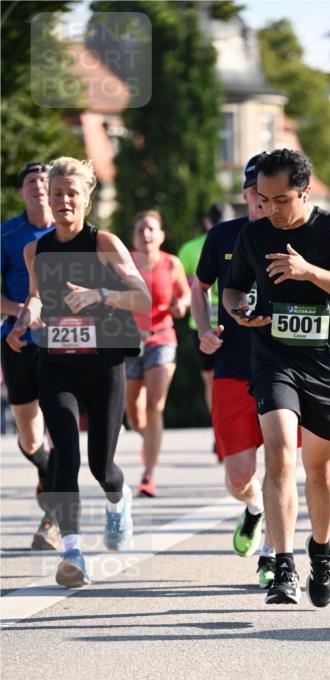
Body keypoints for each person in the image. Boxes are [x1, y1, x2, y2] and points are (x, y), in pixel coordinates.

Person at [223, 148, 330, 607]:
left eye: (281, 200)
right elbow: (232, 288)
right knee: (279, 454)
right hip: (275, 360)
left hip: (327, 364)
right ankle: (282, 566)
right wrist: (238, 310)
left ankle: (322, 553)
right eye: (263, 199)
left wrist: (310, 272)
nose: (271, 209)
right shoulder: (254, 235)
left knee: (321, 470)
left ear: (305, 192)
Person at [7, 157, 150, 587]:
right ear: (47, 199)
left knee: (101, 466)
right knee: (64, 457)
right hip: (57, 361)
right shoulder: (36, 249)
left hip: (104, 362)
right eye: (56, 194)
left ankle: (117, 501)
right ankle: (72, 552)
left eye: (72, 193)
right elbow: (33, 298)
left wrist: (100, 294)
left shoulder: (103, 243)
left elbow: (141, 297)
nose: (64, 201)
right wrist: (22, 321)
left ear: (86, 197)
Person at [191, 154, 279, 589]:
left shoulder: (292, 237)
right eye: (253, 193)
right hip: (232, 366)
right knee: (238, 478)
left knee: (282, 467)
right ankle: (255, 509)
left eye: (267, 194)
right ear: (245, 195)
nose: (260, 201)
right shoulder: (222, 236)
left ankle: (272, 555)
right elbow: (199, 286)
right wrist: (204, 330)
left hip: (284, 367)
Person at [1, 162, 58, 550]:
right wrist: (20, 312)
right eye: (31, 182)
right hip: (18, 340)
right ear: (23, 191)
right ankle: (47, 470)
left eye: (44, 181)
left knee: (61, 425)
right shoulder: (7, 235)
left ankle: (54, 520)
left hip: (63, 343)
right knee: (30, 435)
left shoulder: (71, 231)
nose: (38, 187)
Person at [126, 210, 190, 497]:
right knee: (134, 416)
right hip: (128, 344)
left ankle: (148, 475)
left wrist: (182, 305)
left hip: (162, 339)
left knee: (154, 404)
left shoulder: (171, 263)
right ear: (133, 236)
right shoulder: (123, 262)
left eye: (151, 229)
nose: (146, 234)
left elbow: (185, 292)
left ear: (161, 235)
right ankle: (149, 441)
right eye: (141, 230)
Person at [177, 204, 224, 416]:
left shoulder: (236, 240)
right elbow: (180, 283)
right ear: (207, 221)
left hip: (230, 319)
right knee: (210, 378)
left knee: (228, 378)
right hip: (202, 322)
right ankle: (217, 426)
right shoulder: (189, 249)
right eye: (215, 221)